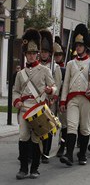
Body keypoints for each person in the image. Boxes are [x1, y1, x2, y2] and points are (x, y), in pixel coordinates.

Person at [13, 28, 57, 179]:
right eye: (28, 54)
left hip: (38, 108)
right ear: (25, 55)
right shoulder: (20, 74)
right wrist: (17, 100)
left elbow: (55, 87)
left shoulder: (44, 70)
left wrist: (50, 90)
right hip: (25, 109)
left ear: (37, 54)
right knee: (23, 136)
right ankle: (23, 168)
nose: (31, 56)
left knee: (36, 138)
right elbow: (16, 90)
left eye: (33, 53)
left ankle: (35, 169)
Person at [59, 24, 90, 166]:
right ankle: (69, 155)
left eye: (81, 45)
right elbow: (65, 84)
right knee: (71, 125)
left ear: (86, 46)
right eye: (77, 45)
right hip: (72, 99)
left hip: (86, 99)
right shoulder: (70, 64)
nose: (78, 47)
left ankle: (82, 154)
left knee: (84, 127)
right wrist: (63, 101)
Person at [39, 29, 62, 164]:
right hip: (38, 100)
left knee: (48, 127)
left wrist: (54, 97)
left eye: (46, 52)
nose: (43, 54)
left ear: (49, 53)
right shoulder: (36, 66)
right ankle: (37, 151)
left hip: (50, 100)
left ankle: (46, 153)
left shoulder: (55, 68)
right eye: (42, 52)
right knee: (37, 127)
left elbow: (57, 85)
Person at [53, 39, 68, 157]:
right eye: (55, 55)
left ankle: (62, 146)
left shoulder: (67, 67)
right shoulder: (50, 67)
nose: (57, 57)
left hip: (63, 98)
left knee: (64, 125)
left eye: (59, 55)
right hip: (52, 99)